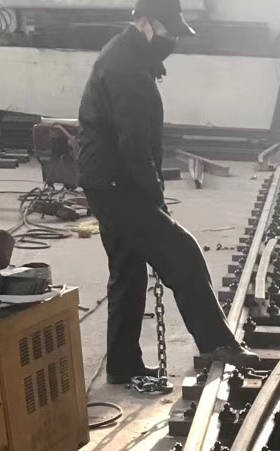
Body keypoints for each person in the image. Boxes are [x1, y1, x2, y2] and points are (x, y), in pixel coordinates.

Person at [78, 0, 258, 386]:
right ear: (144, 23)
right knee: (183, 252)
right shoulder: (127, 69)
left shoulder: (127, 56)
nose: (171, 40)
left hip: (104, 180)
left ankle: (122, 364)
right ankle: (216, 342)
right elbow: (134, 145)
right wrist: (154, 195)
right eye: (166, 31)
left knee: (127, 269)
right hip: (118, 182)